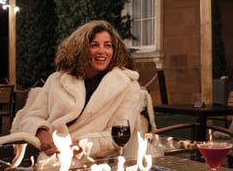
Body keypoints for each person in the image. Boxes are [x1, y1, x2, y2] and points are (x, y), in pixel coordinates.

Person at [10, 20, 142, 158]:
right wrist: (42, 133)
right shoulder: (57, 79)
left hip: (92, 158)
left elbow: (118, 134)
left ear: (115, 51)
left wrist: (80, 145)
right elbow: (31, 118)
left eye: (108, 46)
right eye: (94, 45)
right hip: (47, 150)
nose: (102, 51)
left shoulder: (126, 85)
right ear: (81, 49)